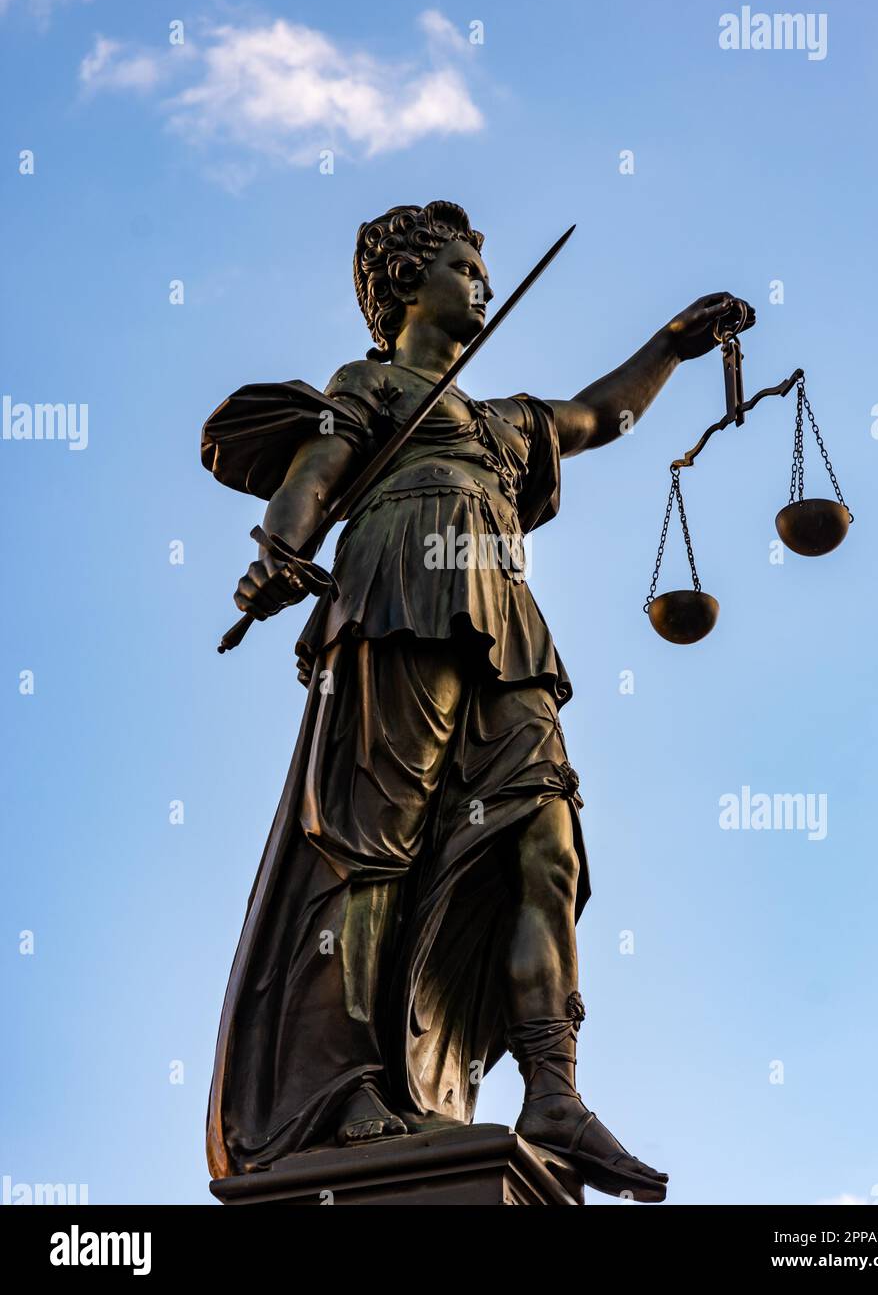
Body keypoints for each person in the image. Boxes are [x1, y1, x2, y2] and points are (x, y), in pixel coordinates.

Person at [201, 200, 754, 1200]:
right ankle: (339, 1089)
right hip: (397, 605)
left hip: (505, 628)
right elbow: (314, 477)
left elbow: (595, 417)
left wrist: (670, 346)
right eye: (462, 267)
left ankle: (553, 1087)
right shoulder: (368, 387)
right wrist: (278, 549)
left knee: (545, 843)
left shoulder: (502, 426)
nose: (483, 285)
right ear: (405, 283)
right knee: (371, 853)